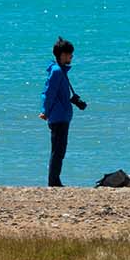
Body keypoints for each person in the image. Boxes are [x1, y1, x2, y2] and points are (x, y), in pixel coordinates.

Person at [39, 37, 86, 187]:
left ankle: (55, 180)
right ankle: (53, 181)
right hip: (58, 117)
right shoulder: (57, 72)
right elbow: (48, 93)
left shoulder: (60, 71)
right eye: (69, 54)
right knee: (58, 151)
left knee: (60, 150)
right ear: (62, 55)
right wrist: (45, 111)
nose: (71, 57)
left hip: (62, 117)